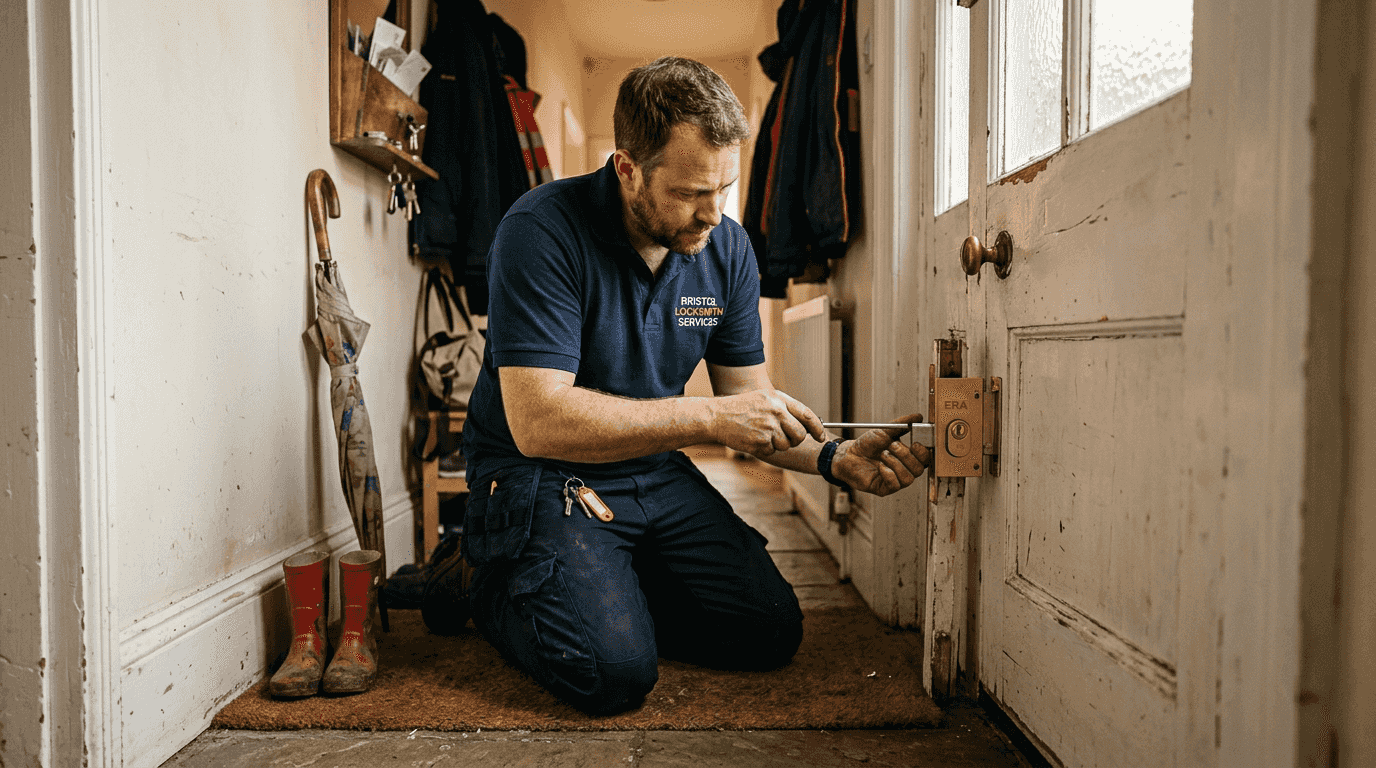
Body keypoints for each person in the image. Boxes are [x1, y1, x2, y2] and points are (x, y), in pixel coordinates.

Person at [460, 56, 930, 715]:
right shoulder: (540, 232)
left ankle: (602, 586)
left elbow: (749, 405)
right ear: (628, 169)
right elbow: (539, 422)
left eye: (724, 188)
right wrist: (709, 419)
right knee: (612, 675)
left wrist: (835, 458)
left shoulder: (726, 248)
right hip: (542, 474)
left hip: (652, 469)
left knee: (769, 630)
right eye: (688, 193)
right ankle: (487, 582)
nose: (712, 213)